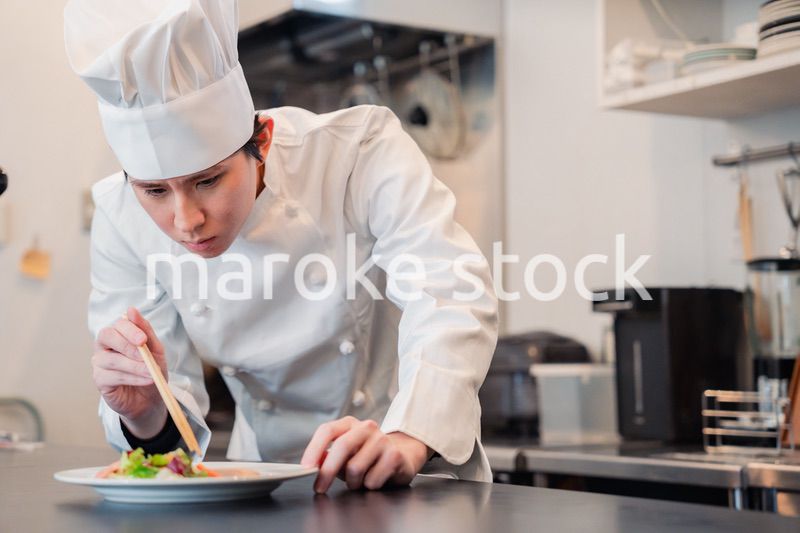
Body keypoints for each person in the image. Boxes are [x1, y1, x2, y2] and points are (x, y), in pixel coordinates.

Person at [64, 0, 498, 492]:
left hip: (401, 467)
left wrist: (409, 433)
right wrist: (146, 413)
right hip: (262, 485)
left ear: (263, 140)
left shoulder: (358, 152)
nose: (186, 222)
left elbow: (448, 290)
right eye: (154, 191)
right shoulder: (120, 217)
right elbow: (168, 433)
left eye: (207, 181)